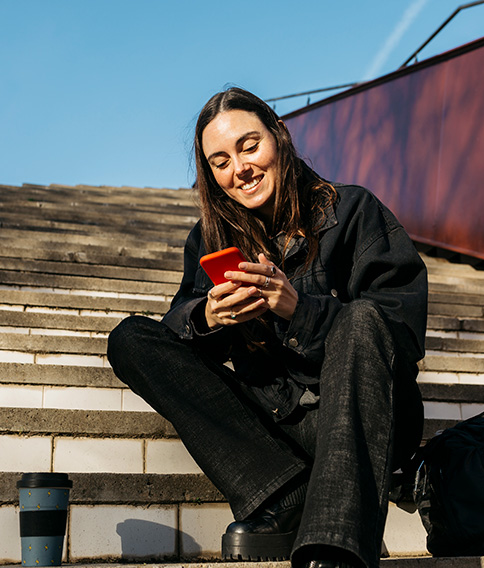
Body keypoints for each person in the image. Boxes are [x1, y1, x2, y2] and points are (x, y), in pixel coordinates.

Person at [107, 87, 427, 568]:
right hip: (278, 421)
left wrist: (298, 309)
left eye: (249, 145)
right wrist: (209, 316)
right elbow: (176, 340)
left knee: (364, 317)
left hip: (368, 416)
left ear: (280, 135)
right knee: (130, 339)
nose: (239, 169)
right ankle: (285, 490)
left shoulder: (354, 211)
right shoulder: (208, 239)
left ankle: (333, 541)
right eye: (220, 161)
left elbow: (401, 332)